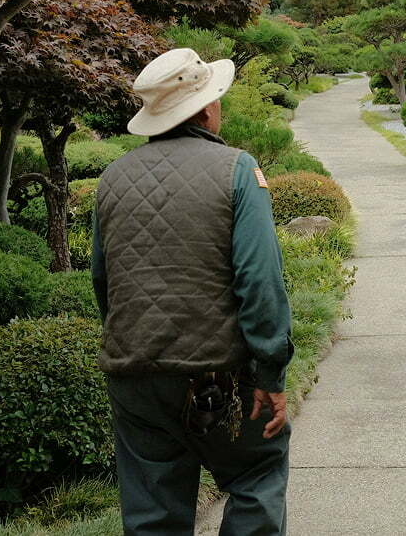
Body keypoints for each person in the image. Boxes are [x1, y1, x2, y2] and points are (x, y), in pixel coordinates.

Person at [92, 47, 293, 536]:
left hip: (135, 376)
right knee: (256, 477)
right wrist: (271, 371)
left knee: (153, 514)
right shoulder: (237, 169)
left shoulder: (112, 177)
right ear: (205, 110)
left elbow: (104, 281)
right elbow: (259, 279)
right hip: (220, 375)